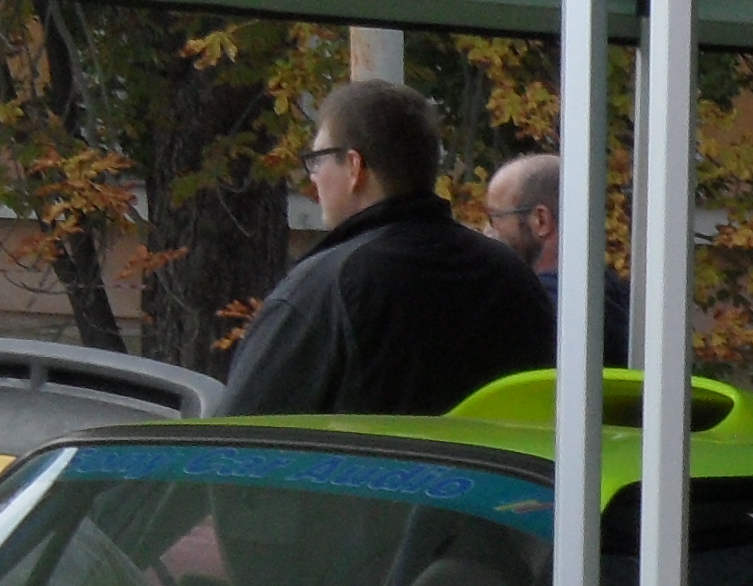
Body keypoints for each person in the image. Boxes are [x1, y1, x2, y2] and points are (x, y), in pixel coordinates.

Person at [219, 78, 553, 419]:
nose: (314, 177)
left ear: (354, 167)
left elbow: (232, 447)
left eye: (318, 160)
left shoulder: (326, 290)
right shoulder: (513, 278)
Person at [479, 151, 632, 366]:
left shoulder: (529, 311)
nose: (487, 231)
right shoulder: (623, 303)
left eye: (494, 217)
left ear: (540, 220)